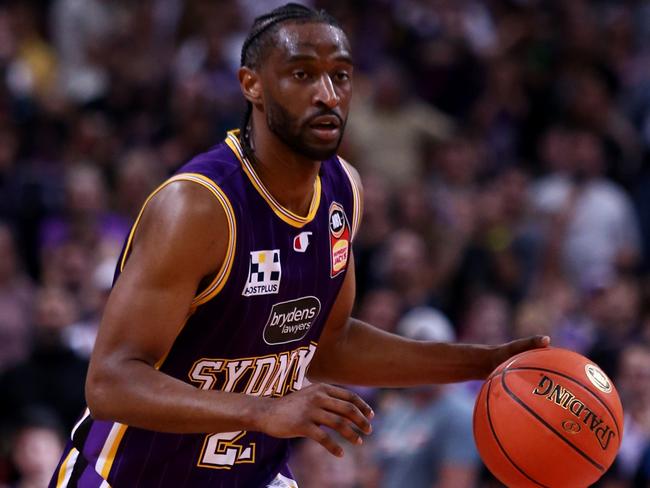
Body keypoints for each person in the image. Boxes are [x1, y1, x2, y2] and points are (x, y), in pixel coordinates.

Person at [49, 4, 549, 487]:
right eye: (303, 75)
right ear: (252, 85)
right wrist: (264, 410)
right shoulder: (198, 208)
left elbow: (331, 346)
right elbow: (110, 382)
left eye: (342, 76)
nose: (328, 94)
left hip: (254, 476)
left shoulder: (343, 191)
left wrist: (483, 364)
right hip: (134, 478)